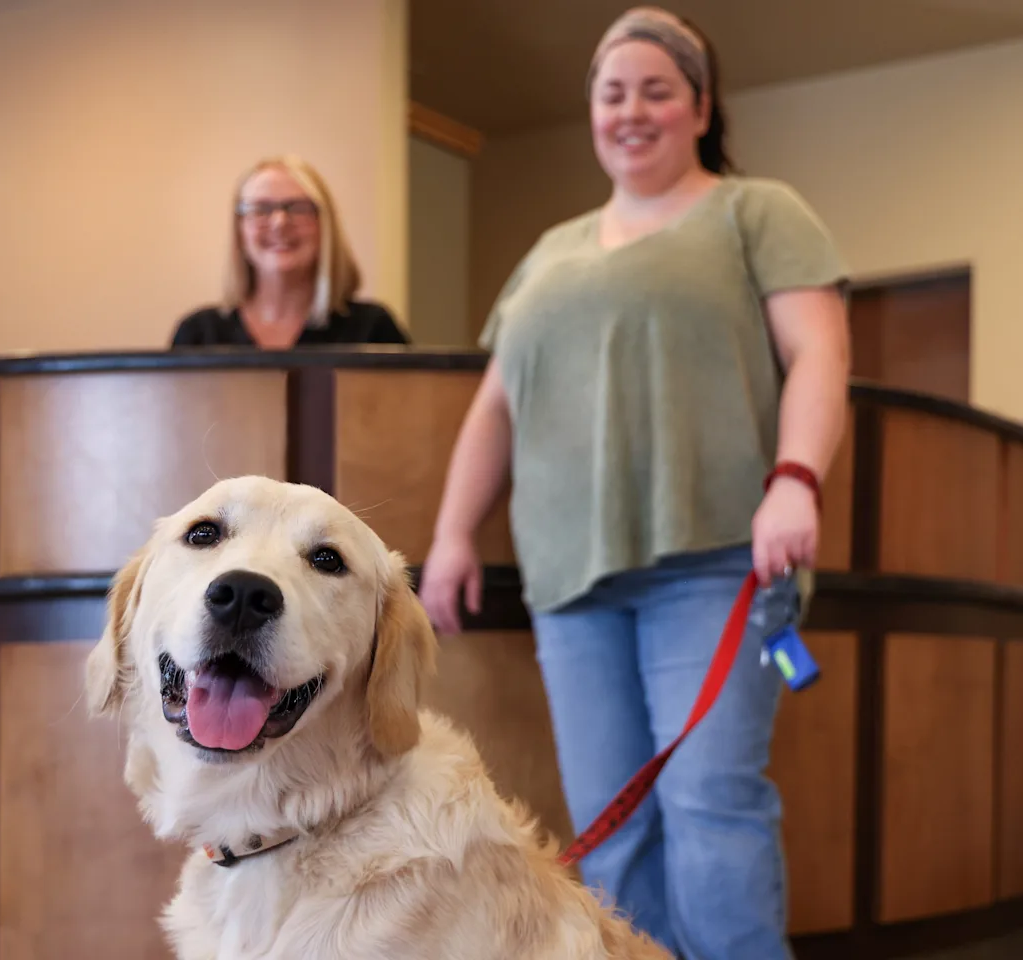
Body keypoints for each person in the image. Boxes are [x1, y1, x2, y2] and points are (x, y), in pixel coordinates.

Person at [416, 7, 850, 959]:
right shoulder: (549, 251)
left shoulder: (756, 210)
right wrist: (453, 534)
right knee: (614, 825)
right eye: (613, 93)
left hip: (717, 556)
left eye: (658, 89)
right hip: (572, 580)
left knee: (710, 806)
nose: (632, 110)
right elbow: (496, 407)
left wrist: (795, 478)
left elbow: (820, 353)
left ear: (700, 106)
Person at [171, 155, 409, 349]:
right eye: (261, 209)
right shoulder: (198, 335)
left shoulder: (373, 330)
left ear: (325, 228)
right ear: (239, 230)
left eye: (299, 208)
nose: (280, 222)